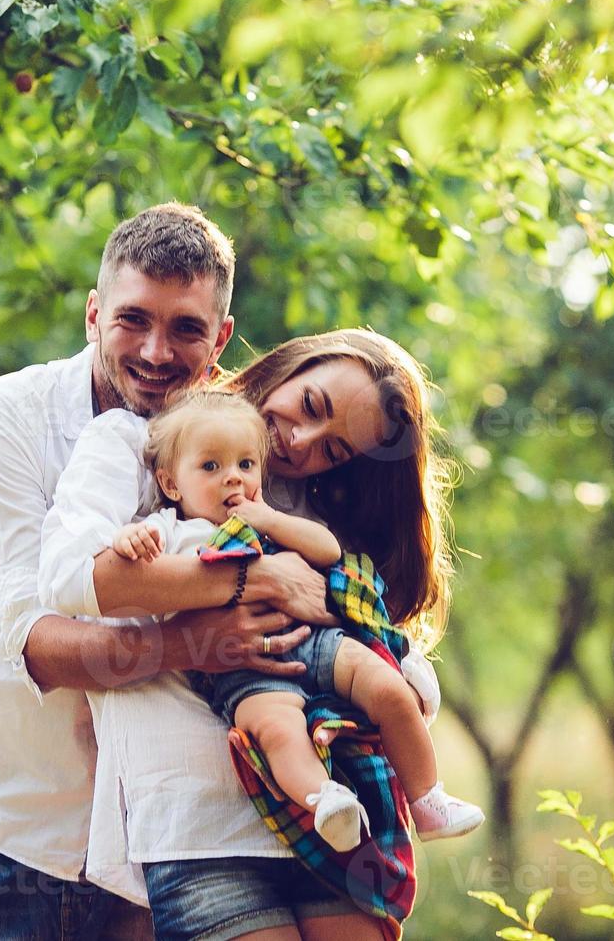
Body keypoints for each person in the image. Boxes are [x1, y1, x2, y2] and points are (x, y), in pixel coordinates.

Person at [0, 202, 336, 940]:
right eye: (133, 320)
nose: (158, 352)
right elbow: (40, 645)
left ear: (220, 338)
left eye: (187, 328)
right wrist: (214, 625)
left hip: (140, 855)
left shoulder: (226, 454)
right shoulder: (8, 420)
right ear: (94, 315)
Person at [39, 329, 462, 941]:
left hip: (327, 815)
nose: (302, 441)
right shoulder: (145, 443)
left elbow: (403, 668)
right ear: (289, 366)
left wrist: (376, 654)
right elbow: (78, 575)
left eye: (335, 450)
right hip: (198, 825)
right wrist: (255, 580)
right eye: (310, 406)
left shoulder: (299, 508)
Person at [106, 389, 484, 852]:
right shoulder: (169, 529)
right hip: (243, 673)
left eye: (245, 465)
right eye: (211, 467)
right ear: (170, 484)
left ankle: (428, 798)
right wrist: (131, 537)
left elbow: (326, 550)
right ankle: (325, 801)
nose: (233, 480)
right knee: (276, 732)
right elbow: (131, 561)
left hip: (317, 641)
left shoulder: (271, 518)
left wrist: (268, 517)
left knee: (386, 686)